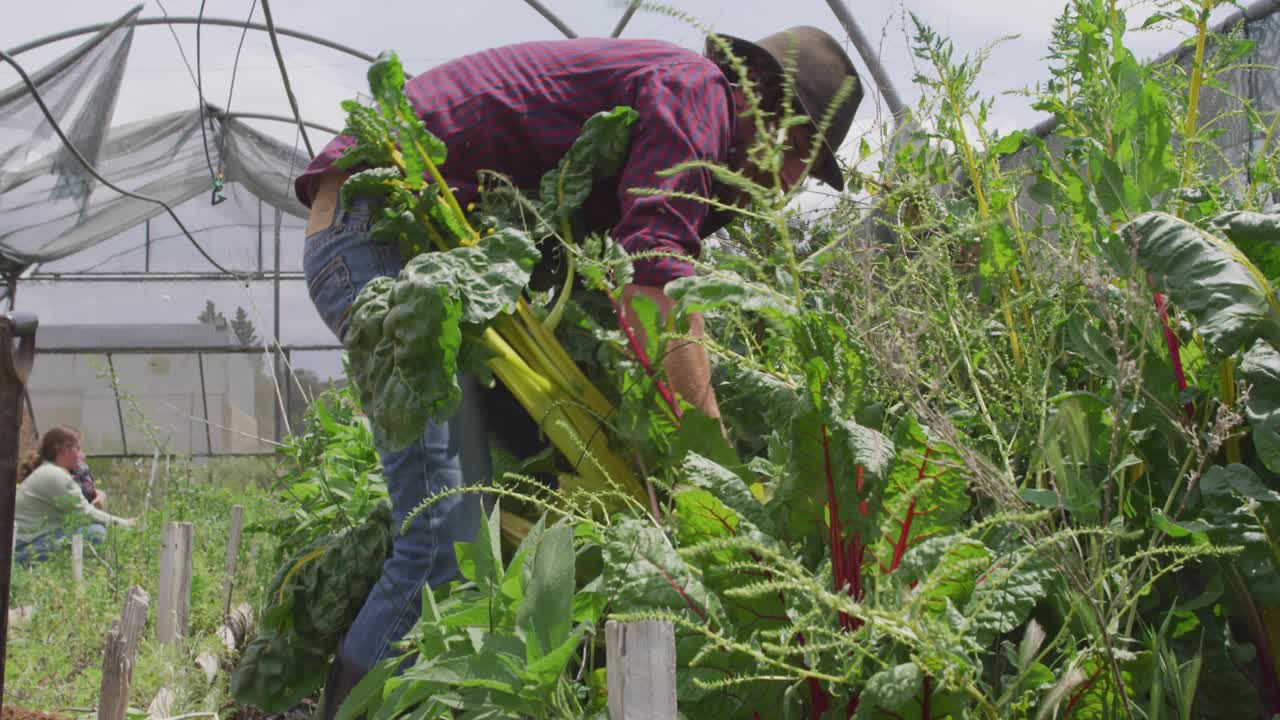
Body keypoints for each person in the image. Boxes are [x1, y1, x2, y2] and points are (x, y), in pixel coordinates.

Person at [296, 26, 862, 714]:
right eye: (804, 153)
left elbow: (618, 294)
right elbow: (653, 290)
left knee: (524, 499)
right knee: (447, 537)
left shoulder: (689, 116)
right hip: (380, 235)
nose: (794, 182)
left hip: (422, 254)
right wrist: (714, 469)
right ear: (764, 106)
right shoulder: (698, 95)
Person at [13, 425, 134, 565]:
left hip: (27, 544)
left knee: (93, 530)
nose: (82, 455)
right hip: (23, 550)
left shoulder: (48, 471)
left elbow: (77, 512)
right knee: (95, 533)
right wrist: (127, 524)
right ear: (63, 450)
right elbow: (85, 514)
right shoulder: (54, 475)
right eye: (78, 448)